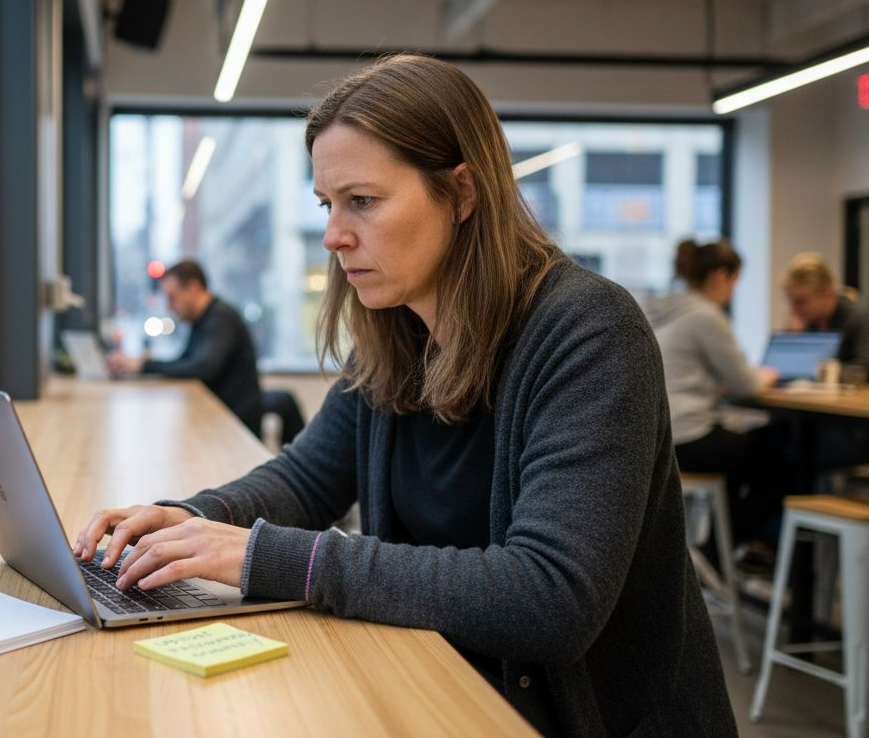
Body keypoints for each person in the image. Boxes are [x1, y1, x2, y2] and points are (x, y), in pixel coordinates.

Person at [77, 55, 736, 736]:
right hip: (440, 683)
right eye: (327, 204)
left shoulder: (590, 330)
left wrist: (265, 556)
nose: (333, 236)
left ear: (461, 194)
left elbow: (551, 598)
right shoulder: (397, 331)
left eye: (362, 201)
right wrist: (187, 522)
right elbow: (307, 480)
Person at [645, 240, 783, 554]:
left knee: (743, 454)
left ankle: (717, 555)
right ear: (721, 276)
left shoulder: (664, 309)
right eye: (735, 282)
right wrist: (768, 374)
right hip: (688, 437)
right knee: (782, 467)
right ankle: (717, 557)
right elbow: (747, 385)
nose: (733, 292)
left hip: (660, 435)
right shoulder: (706, 315)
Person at [108, 260, 263, 435]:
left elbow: (201, 368)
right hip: (215, 416)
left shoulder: (220, 318)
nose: (169, 307)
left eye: (172, 298)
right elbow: (186, 361)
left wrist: (143, 366)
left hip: (233, 424)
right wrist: (144, 364)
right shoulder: (201, 320)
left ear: (193, 289)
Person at [782, 252, 869, 383]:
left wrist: (824, 371)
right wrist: (793, 339)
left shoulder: (865, 319)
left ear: (827, 293)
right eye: (791, 302)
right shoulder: (810, 324)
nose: (794, 310)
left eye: (801, 301)